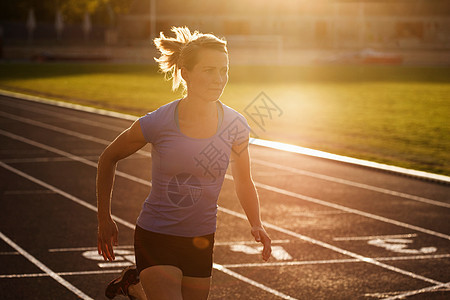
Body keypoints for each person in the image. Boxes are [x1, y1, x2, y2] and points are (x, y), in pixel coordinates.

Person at [97, 26, 272, 300]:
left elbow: (243, 180)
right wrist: (104, 219)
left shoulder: (236, 125)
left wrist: (256, 222)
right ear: (186, 74)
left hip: (200, 240)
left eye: (224, 70)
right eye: (209, 70)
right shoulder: (159, 122)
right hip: (156, 236)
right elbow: (108, 158)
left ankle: (134, 287)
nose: (219, 78)